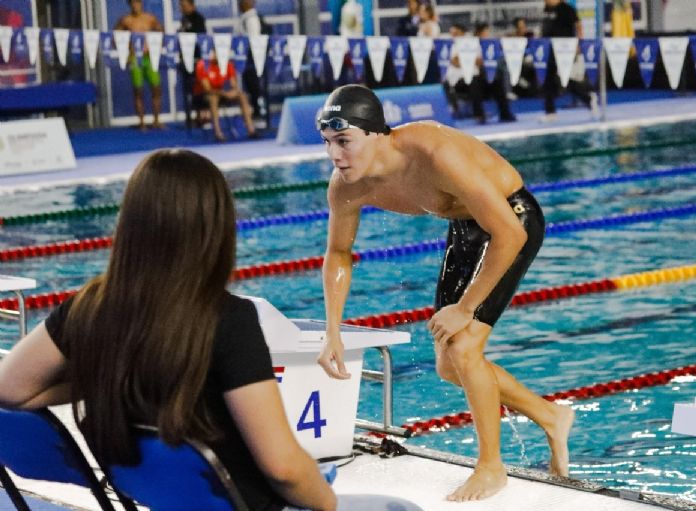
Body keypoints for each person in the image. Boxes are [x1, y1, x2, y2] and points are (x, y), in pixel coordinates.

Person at [0, 149, 422, 511]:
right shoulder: (229, 320)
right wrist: (328, 505)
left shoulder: (89, 307)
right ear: (215, 229)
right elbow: (283, 468)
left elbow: (10, 389)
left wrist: (112, 376)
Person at [316, 85, 574, 502]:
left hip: (511, 219)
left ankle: (491, 467)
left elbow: (509, 233)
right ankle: (551, 416)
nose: (335, 154)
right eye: (327, 142)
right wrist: (332, 331)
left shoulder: (433, 152)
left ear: (376, 133)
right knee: (449, 366)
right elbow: (338, 253)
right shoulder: (346, 186)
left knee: (464, 347)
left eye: (344, 141)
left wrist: (466, 308)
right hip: (467, 229)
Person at [443, 23, 515, 124]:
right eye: (452, 33)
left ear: (462, 32)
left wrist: (465, 59)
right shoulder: (451, 45)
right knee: (474, 82)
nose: (453, 35)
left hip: (476, 75)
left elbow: (481, 61)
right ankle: (479, 115)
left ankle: (505, 113)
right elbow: (455, 62)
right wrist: (470, 59)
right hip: (458, 80)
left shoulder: (473, 43)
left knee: (495, 80)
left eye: (455, 32)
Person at [540, 0, 598, 120]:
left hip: (565, 48)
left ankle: (588, 98)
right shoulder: (547, 8)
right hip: (549, 47)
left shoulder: (566, 9)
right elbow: (546, 26)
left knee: (564, 79)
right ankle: (550, 112)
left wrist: (578, 44)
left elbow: (578, 25)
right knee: (548, 79)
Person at [114, 0, 165, 130]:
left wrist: (158, 46)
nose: (135, 6)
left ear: (141, 3)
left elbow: (161, 31)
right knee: (138, 90)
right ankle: (142, 122)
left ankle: (156, 120)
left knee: (156, 88)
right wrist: (125, 52)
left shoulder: (150, 18)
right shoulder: (126, 20)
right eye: (133, 3)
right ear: (129, 5)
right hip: (135, 58)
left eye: (137, 3)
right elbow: (115, 38)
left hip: (149, 57)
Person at [194, 49, 258, 142]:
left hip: (221, 93)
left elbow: (234, 84)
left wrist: (233, 92)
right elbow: (207, 89)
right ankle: (218, 133)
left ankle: (251, 130)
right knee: (213, 98)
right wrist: (225, 93)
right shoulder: (202, 65)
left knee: (242, 95)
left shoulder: (228, 64)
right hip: (203, 95)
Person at [236, 0, 266, 125]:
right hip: (247, 59)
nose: (239, 3)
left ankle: (260, 115)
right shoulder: (244, 18)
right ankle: (255, 113)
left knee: (255, 88)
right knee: (250, 88)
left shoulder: (251, 19)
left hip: (252, 59)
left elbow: (254, 41)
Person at [178, 0, 207, 129]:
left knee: (200, 88)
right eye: (180, 6)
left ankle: (203, 116)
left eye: (184, 6)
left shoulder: (198, 19)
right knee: (189, 90)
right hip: (186, 59)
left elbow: (199, 38)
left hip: (197, 60)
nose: (181, 8)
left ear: (192, 6)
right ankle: (193, 117)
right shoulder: (184, 19)